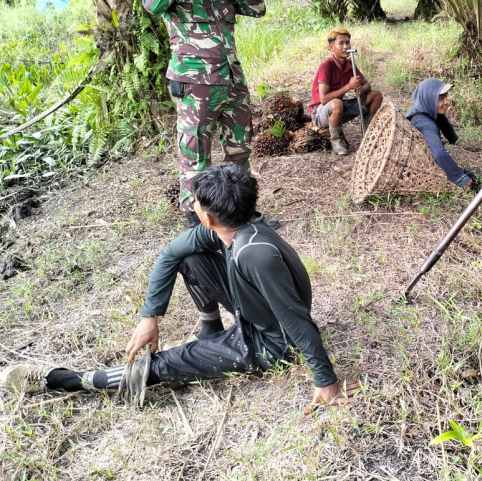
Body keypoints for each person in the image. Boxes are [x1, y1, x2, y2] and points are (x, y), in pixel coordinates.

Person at [0, 166, 357, 411]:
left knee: (170, 363)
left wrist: (325, 380)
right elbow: (171, 253)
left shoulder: (254, 254)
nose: (194, 207)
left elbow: (295, 319)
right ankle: (211, 329)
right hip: (253, 311)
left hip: (269, 343)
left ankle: (65, 380)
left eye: (196, 203)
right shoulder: (232, 228)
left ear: (209, 216)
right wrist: (149, 316)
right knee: (190, 258)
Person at [143, 0, 266, 228]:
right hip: (196, 86)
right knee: (195, 155)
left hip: (232, 82)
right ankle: (196, 222)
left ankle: (242, 215)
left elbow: (257, 8)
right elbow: (152, 4)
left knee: (240, 149)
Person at [308, 28, 383, 155]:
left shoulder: (349, 64)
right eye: (341, 43)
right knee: (337, 103)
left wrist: (361, 89)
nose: (346, 46)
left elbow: (367, 84)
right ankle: (336, 141)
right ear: (331, 47)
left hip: (339, 108)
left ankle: (367, 135)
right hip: (320, 113)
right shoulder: (326, 66)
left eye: (347, 42)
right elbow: (324, 99)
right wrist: (349, 87)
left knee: (376, 95)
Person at [406, 78, 475, 189]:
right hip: (414, 170)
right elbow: (438, 154)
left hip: (421, 159)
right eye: (441, 98)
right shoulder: (426, 124)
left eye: (446, 97)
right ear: (429, 99)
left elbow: (443, 122)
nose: (446, 102)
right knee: (470, 178)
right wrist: (459, 177)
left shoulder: (422, 110)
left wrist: (453, 139)